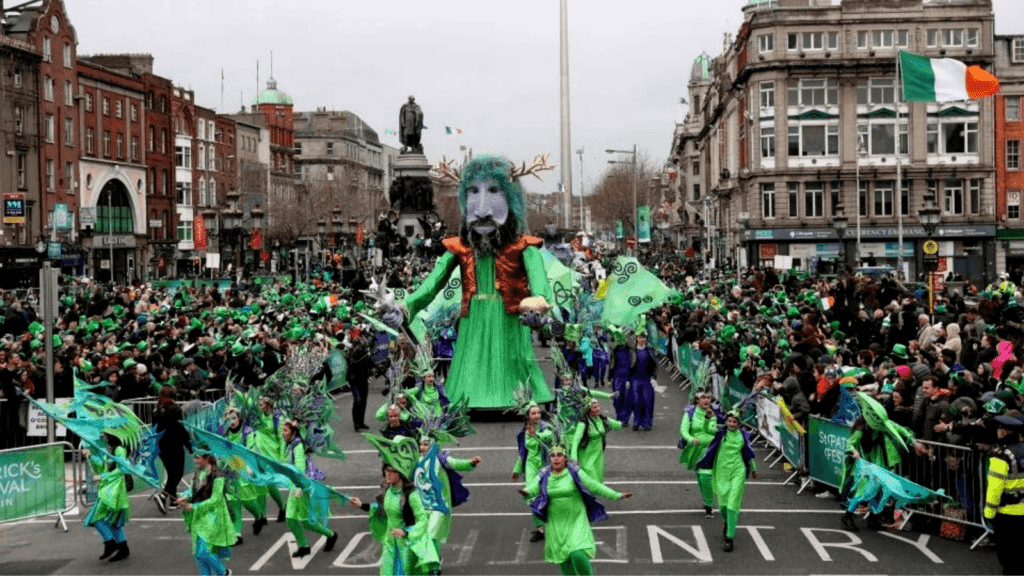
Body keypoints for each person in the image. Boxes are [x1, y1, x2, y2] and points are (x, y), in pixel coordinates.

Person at [395, 155, 555, 410]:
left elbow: (541, 289)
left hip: (508, 320)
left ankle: (515, 395)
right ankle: (469, 395)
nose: (481, 209)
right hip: (473, 320)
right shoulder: (459, 248)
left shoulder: (526, 247)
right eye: (472, 192)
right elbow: (430, 287)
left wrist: (538, 305)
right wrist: (404, 306)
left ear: (511, 198)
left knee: (509, 360)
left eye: (494, 190)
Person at [520, 446, 632, 575]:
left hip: (576, 519)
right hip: (555, 523)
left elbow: (593, 485)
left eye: (559, 455)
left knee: (578, 554)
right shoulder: (544, 474)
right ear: (549, 459)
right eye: (553, 456)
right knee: (564, 560)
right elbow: (533, 488)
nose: (556, 458)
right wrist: (526, 492)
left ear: (565, 459)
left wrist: (616, 495)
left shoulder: (574, 471)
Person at [350, 451, 435, 575]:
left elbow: (423, 520)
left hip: (407, 544)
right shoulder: (388, 491)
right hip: (390, 542)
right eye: (386, 470)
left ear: (400, 473)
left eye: (392, 471)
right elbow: (380, 509)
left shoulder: (412, 495)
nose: (388, 474)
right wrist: (362, 505)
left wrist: (406, 531)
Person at [415, 435, 482, 573]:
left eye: (426, 444)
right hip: (422, 506)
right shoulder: (416, 460)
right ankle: (436, 560)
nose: (422, 447)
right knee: (428, 537)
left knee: (431, 534)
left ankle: (434, 566)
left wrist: (471, 462)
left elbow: (456, 463)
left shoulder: (440, 458)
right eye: (421, 444)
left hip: (440, 505)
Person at [697, 410, 759, 552]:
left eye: (735, 422)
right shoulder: (719, 434)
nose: (732, 424)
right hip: (721, 472)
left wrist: (754, 469)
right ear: (726, 422)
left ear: (738, 423)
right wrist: (707, 417)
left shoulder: (744, 435)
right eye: (729, 421)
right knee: (723, 506)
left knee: (732, 505)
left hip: (738, 471)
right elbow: (706, 430)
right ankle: (727, 522)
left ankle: (729, 538)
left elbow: (748, 453)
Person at [282, 420, 338, 558]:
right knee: (290, 518)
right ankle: (304, 546)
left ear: (294, 433)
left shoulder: (298, 447)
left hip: (302, 488)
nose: (282, 433)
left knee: (306, 522)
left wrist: (298, 487)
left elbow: (300, 468)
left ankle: (331, 535)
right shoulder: (289, 445)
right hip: (295, 487)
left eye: (285, 431)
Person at [177, 453, 236, 576]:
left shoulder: (218, 476)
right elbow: (193, 490)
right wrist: (185, 496)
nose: (194, 461)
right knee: (199, 555)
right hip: (199, 515)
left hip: (213, 516)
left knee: (204, 552)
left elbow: (216, 499)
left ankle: (224, 573)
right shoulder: (198, 473)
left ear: (207, 458)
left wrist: (195, 506)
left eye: (197, 458)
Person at [983, 412, 1024, 575]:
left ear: (1003, 432)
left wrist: (989, 514)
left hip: (1007, 515)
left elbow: (995, 489)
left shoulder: (1001, 456)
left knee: (1010, 561)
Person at [81, 434, 132, 562]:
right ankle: (123, 549)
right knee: (115, 522)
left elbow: (122, 469)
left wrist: (102, 477)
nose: (102, 434)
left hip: (114, 491)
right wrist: (90, 456)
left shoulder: (119, 449)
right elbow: (103, 466)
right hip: (108, 489)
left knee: (96, 518)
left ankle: (110, 544)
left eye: (104, 432)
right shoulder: (110, 448)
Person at [222, 408, 269, 541]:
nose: (231, 421)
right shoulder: (223, 433)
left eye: (234, 418)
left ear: (239, 418)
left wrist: (247, 466)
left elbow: (251, 449)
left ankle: (258, 516)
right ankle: (237, 533)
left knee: (247, 500)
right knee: (233, 501)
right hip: (230, 469)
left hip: (245, 469)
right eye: (228, 419)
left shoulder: (246, 431)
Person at [678, 388, 723, 517]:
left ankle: (709, 505)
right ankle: (705, 500)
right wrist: (691, 439)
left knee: (705, 475)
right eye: (703, 398)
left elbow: (714, 431)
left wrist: (711, 418)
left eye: (708, 397)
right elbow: (684, 430)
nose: (706, 400)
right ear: (697, 400)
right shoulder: (690, 413)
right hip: (694, 449)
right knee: (699, 475)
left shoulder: (716, 413)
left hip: (711, 449)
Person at [512, 402, 553, 542]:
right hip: (530, 466)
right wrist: (517, 470)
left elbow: (549, 436)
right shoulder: (523, 432)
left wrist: (537, 435)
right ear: (527, 416)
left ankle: (554, 523)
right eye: (533, 413)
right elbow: (523, 452)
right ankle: (539, 529)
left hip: (545, 466)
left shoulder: (546, 428)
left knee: (548, 496)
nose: (537, 416)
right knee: (531, 497)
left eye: (539, 413)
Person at [153, 385, 191, 514]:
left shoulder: (157, 409)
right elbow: (180, 428)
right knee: (177, 473)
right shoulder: (175, 409)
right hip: (174, 444)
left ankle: (174, 501)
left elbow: (154, 428)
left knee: (171, 472)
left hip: (161, 445)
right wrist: (189, 445)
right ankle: (163, 496)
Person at [568, 392, 621, 483]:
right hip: (586, 454)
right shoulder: (583, 423)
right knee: (590, 479)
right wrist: (574, 456)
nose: (597, 409)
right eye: (594, 407)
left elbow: (617, 426)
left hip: (598, 453)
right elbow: (576, 440)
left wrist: (619, 423)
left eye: (598, 406)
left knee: (599, 477)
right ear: (588, 409)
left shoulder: (601, 419)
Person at [253, 396, 288, 522]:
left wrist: (283, 459)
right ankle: (262, 515)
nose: (259, 407)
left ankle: (282, 507)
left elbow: (282, 438)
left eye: (261, 405)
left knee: (270, 485)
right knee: (260, 484)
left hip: (272, 456)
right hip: (257, 453)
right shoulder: (258, 415)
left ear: (268, 405)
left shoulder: (278, 418)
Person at [628, 333, 658, 431]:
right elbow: (627, 365)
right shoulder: (632, 351)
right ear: (636, 338)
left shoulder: (650, 351)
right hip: (635, 379)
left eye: (644, 337)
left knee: (647, 401)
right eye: (640, 337)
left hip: (646, 380)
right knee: (636, 401)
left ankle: (647, 422)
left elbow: (654, 366)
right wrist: (627, 379)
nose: (642, 339)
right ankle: (636, 422)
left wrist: (653, 377)